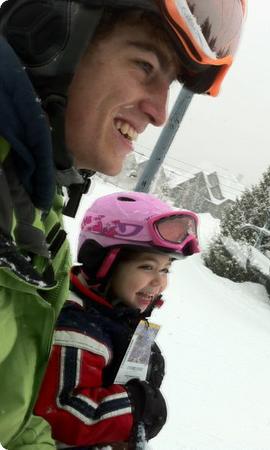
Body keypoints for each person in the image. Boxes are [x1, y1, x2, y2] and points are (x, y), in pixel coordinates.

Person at [0, 1, 246, 448]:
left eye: (169, 84)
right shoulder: (22, 230)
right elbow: (57, 412)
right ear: (52, 36)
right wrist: (131, 406)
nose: (159, 112)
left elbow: (18, 422)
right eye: (144, 64)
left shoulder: (33, 220)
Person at [34, 191, 200, 449]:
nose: (159, 281)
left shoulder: (129, 318)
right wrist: (135, 406)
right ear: (103, 262)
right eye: (147, 266)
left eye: (166, 269)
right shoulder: (79, 326)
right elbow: (61, 411)